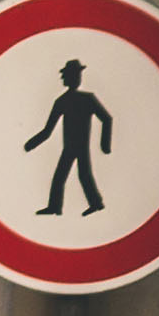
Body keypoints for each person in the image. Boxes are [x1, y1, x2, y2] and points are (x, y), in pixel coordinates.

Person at [28, 57, 115, 218]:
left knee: (77, 175)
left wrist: (105, 144)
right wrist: (31, 144)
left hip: (78, 146)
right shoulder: (62, 101)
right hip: (70, 146)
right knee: (73, 175)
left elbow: (106, 119)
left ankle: (90, 204)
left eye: (69, 75)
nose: (65, 78)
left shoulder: (87, 98)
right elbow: (48, 131)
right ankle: (64, 206)